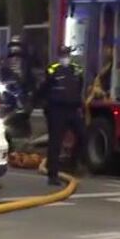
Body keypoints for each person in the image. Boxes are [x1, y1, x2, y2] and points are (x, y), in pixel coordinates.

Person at [36, 45, 86, 186]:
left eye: (67, 54)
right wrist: (40, 102)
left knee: (83, 135)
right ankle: (53, 175)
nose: (65, 57)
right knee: (55, 142)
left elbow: (80, 86)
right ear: (59, 55)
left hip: (72, 109)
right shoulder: (53, 69)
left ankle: (73, 163)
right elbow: (44, 88)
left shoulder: (76, 69)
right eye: (63, 54)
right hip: (56, 109)